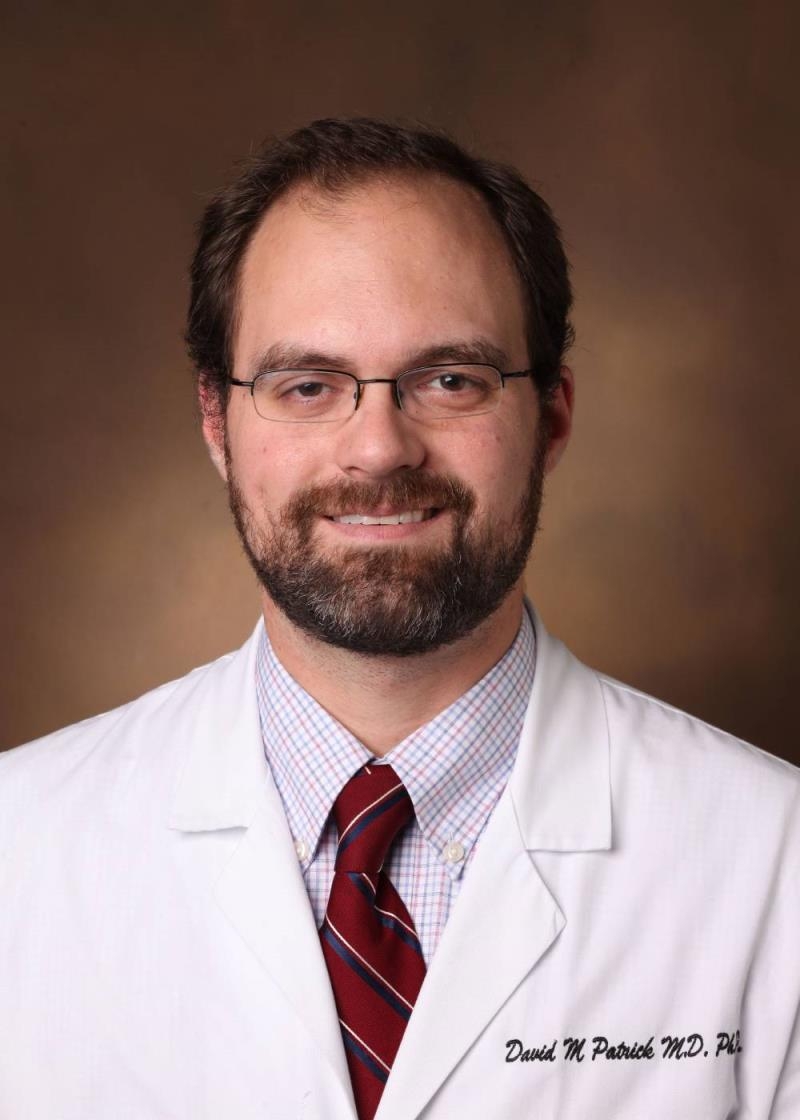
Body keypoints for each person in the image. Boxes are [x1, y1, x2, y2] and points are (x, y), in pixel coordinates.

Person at [1, 117, 797, 1120]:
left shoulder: (774, 865)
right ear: (217, 422)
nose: (378, 448)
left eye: (449, 380)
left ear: (551, 415)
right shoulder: (20, 850)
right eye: (307, 385)